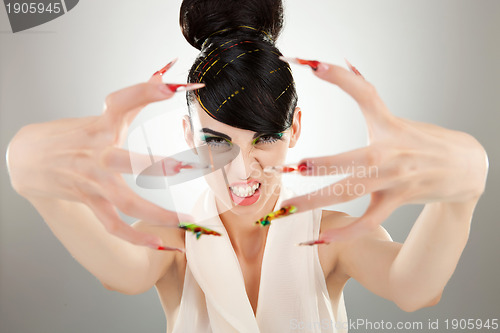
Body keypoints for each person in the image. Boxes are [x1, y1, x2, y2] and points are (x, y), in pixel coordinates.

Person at [5, 0, 488, 332]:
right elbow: (124, 272)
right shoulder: (173, 239)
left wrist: (463, 189)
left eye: (266, 139)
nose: (242, 173)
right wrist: (32, 171)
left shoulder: (333, 239)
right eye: (217, 141)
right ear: (187, 136)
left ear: (294, 129)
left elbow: (414, 288)